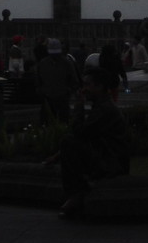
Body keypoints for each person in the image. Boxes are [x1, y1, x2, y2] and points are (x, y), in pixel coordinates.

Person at [50, 66, 131, 218]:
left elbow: (79, 132)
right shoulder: (102, 106)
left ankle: (76, 193)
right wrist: (57, 156)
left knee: (68, 141)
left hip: (111, 163)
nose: (84, 89)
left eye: (87, 84)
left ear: (99, 86)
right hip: (109, 158)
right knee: (69, 143)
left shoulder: (105, 109)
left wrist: (78, 106)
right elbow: (86, 136)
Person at [34, 38, 79, 123]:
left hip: (62, 98)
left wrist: (68, 91)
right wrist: (41, 90)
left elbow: (74, 81)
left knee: (63, 122)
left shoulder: (67, 63)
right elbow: (38, 80)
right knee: (47, 123)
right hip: (47, 98)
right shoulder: (43, 63)